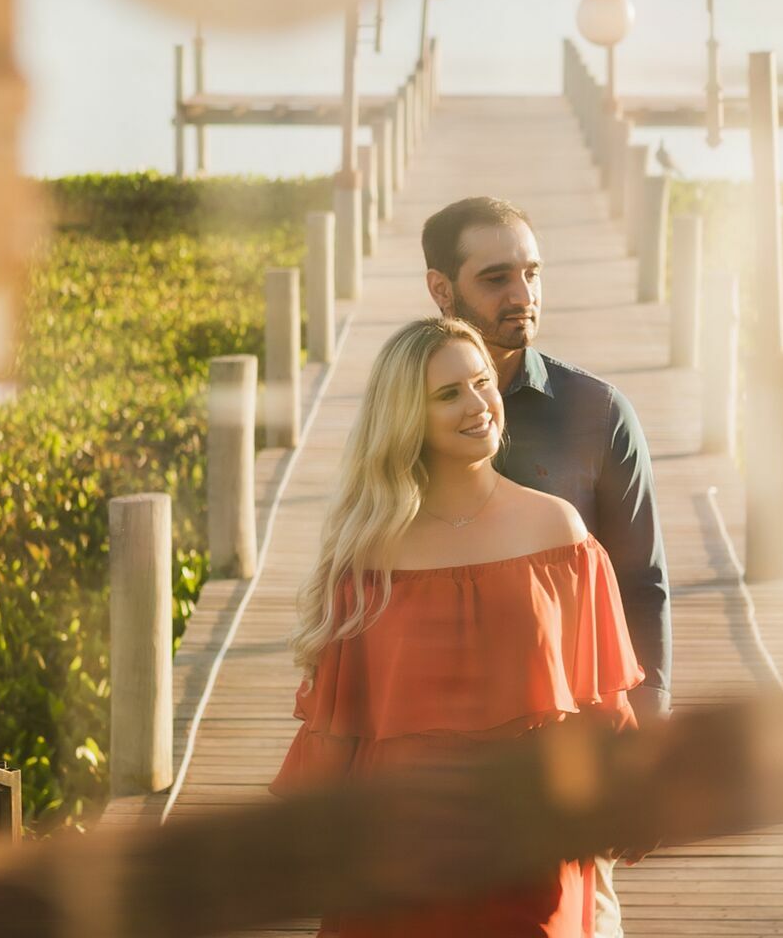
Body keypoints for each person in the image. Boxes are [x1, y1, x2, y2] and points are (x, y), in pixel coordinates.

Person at [273, 317, 645, 938]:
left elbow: (602, 701)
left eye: (482, 383)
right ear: (406, 419)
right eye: (448, 394)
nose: (478, 405)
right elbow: (337, 726)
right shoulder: (367, 555)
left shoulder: (559, 533)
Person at [420, 196, 672, 938]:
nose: (522, 295)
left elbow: (641, 587)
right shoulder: (402, 414)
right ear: (441, 289)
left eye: (531, 273)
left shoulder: (599, 413)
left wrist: (643, 746)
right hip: (433, 759)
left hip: (566, 749)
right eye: (496, 277)